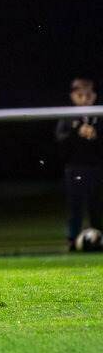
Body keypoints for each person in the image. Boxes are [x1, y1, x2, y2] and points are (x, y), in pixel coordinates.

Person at [56, 78, 102, 250]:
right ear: (72, 96)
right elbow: (60, 139)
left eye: (88, 95)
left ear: (95, 96)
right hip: (74, 168)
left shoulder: (99, 116)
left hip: (96, 167)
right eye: (80, 95)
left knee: (96, 204)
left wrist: (95, 135)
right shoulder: (67, 117)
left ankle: (98, 236)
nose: (84, 99)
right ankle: (72, 239)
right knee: (75, 205)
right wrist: (77, 132)